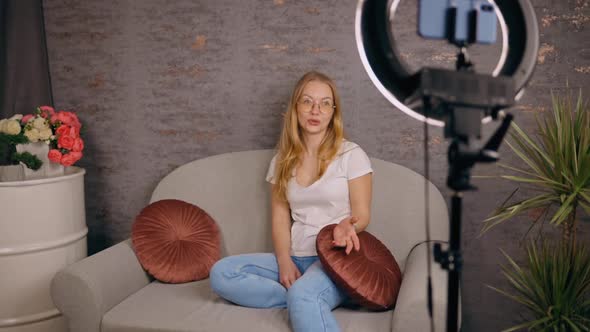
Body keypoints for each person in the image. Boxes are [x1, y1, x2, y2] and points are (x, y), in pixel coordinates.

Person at [209, 71, 373, 332]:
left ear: (333, 111)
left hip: (335, 259)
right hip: (296, 257)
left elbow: (362, 215)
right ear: (296, 108)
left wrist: (348, 225)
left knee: (303, 295)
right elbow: (280, 218)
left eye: (324, 103)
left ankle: (305, 298)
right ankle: (302, 299)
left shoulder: (352, 155)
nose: (315, 110)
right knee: (222, 273)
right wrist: (284, 260)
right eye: (307, 101)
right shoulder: (281, 161)